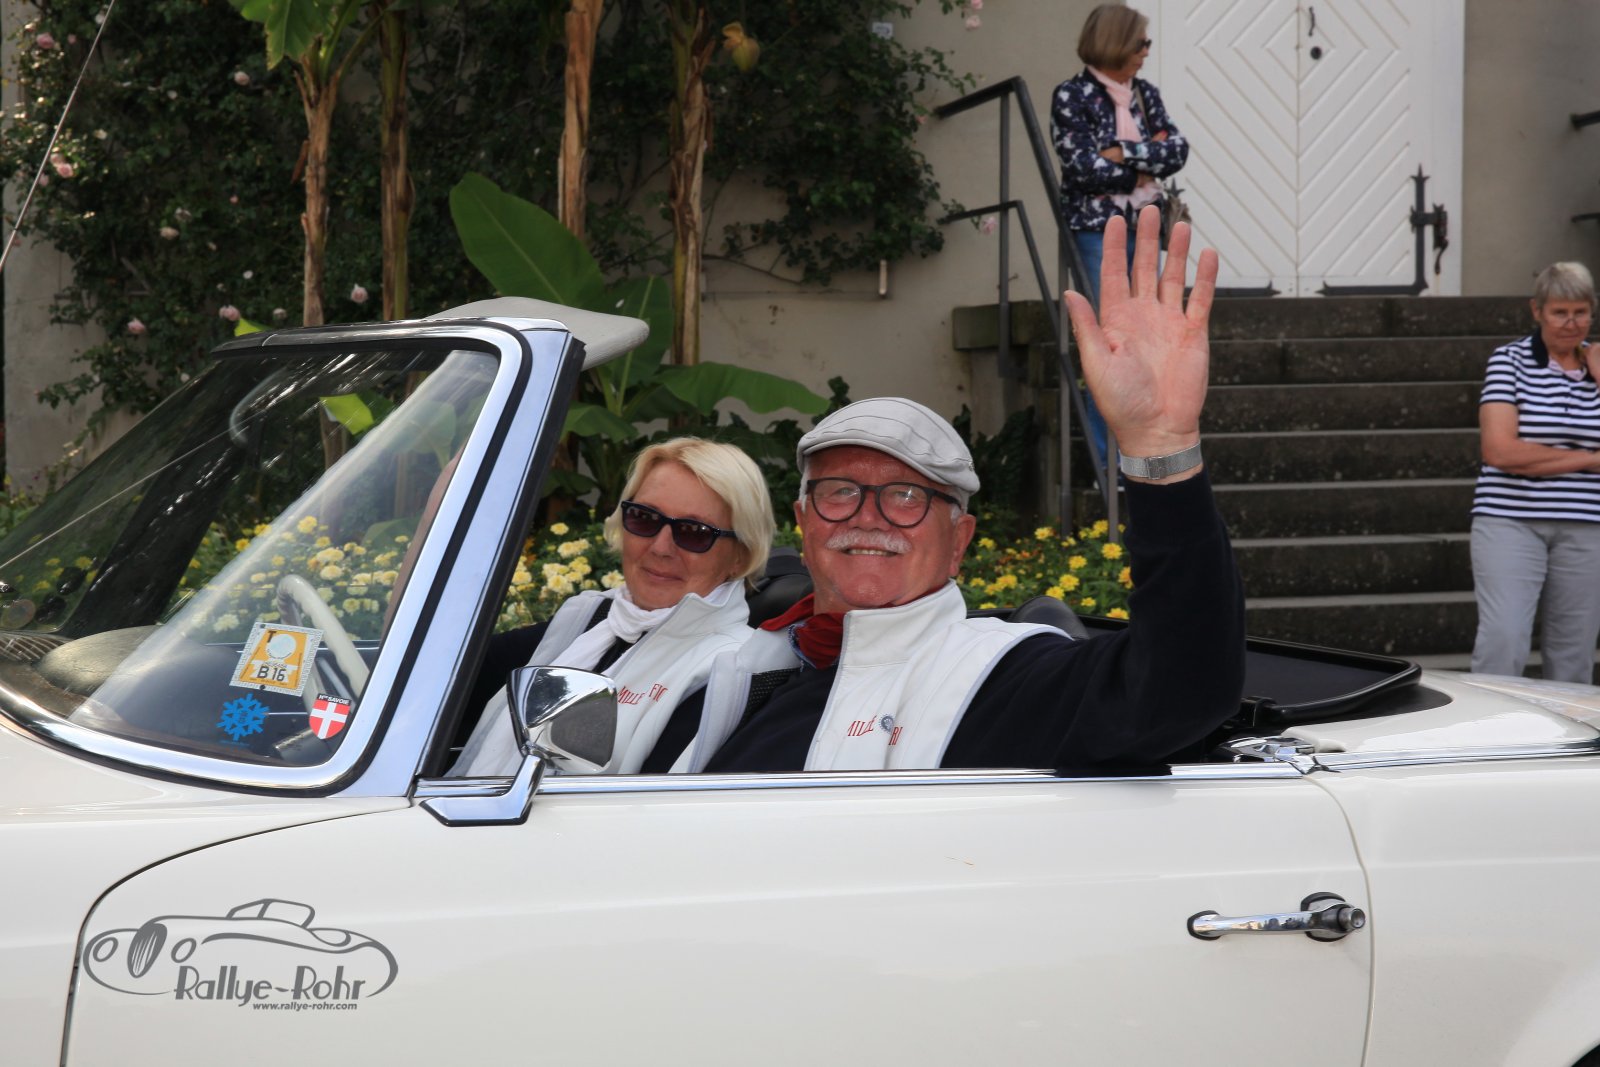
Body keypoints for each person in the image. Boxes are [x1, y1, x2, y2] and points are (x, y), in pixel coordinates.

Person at [649, 205, 1244, 774]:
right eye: (840, 491)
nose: (868, 516)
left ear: (959, 541)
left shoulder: (999, 678)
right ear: (804, 524)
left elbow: (1180, 688)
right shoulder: (737, 672)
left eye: (906, 496)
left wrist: (1159, 444)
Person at [452, 438, 774, 775]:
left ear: (741, 556)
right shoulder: (589, 620)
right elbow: (447, 676)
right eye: (645, 518)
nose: (661, 547)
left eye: (694, 532)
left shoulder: (731, 670)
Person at [1051, 4, 1189, 468]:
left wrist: (1121, 152)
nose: (1147, 52)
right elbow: (1082, 167)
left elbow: (1176, 152)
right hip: (1096, 231)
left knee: (1149, 338)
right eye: (1140, 43)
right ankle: (1111, 466)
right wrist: (1140, 170)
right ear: (1116, 43)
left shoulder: (1144, 94)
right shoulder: (1072, 95)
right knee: (1111, 343)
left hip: (1144, 228)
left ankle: (1145, 453)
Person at [1471, 262, 1600, 682]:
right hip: (1510, 519)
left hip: (1588, 525)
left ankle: (1565, 727)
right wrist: (1589, 459)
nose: (1571, 323)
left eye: (1581, 313)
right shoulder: (1509, 361)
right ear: (1537, 310)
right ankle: (1490, 721)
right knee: (1504, 637)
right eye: (1560, 312)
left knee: (1575, 650)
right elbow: (1499, 450)